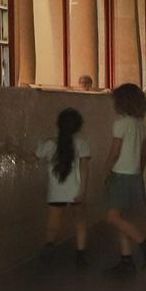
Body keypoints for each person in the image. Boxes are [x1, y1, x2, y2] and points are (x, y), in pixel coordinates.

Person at [104, 82, 146, 277]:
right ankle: (126, 260)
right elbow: (144, 155)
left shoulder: (120, 124)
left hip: (120, 175)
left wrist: (106, 171)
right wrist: (139, 173)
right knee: (123, 218)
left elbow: (114, 152)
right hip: (135, 175)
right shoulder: (141, 126)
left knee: (113, 217)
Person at [37, 107, 91, 267]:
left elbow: (31, 157)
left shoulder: (49, 143)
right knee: (80, 222)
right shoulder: (82, 143)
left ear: (58, 124)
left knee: (52, 225)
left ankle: (48, 249)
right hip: (76, 190)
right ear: (78, 126)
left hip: (56, 191)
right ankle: (80, 256)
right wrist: (82, 190)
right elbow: (84, 168)